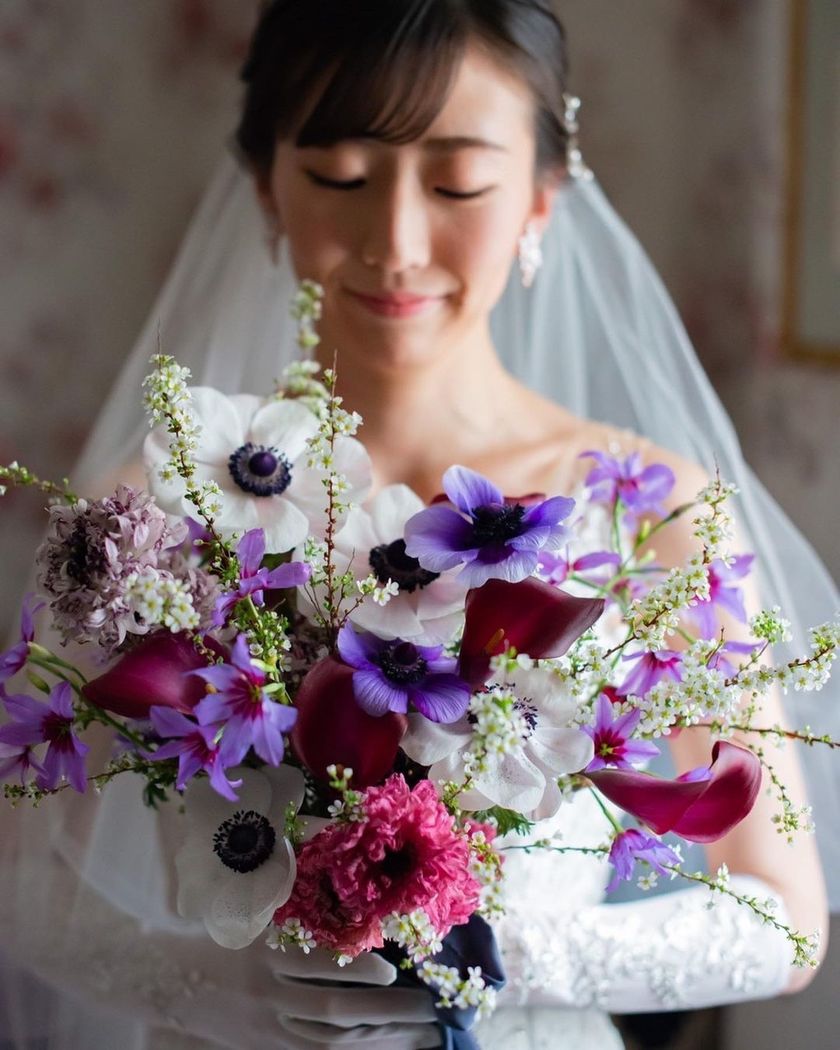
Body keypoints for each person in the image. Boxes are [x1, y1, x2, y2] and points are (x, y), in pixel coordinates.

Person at [1, 2, 836, 1048]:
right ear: (267, 190)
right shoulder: (153, 517)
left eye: (457, 184)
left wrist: (486, 958)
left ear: (541, 197)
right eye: (340, 178)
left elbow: (782, 916)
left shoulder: (646, 506)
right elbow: (19, 879)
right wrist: (221, 991)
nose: (394, 243)